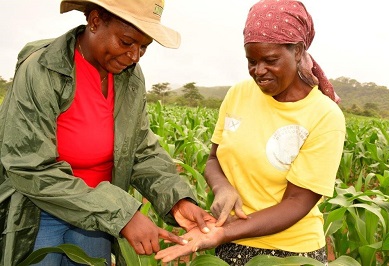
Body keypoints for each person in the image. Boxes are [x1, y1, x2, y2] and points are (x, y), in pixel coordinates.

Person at [0, 0, 215, 265]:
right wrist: (122, 212)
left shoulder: (130, 76)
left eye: (143, 47)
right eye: (126, 42)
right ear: (94, 21)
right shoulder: (42, 69)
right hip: (40, 211)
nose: (134, 55)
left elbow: (141, 150)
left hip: (97, 217)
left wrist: (177, 200)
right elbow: (28, 165)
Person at [155, 0, 346, 265]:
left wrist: (223, 232)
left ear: (299, 51)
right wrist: (222, 188)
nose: (259, 71)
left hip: (290, 253)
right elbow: (214, 158)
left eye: (270, 60)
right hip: (231, 243)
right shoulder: (239, 94)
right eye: (251, 61)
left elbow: (297, 202)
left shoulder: (324, 115)